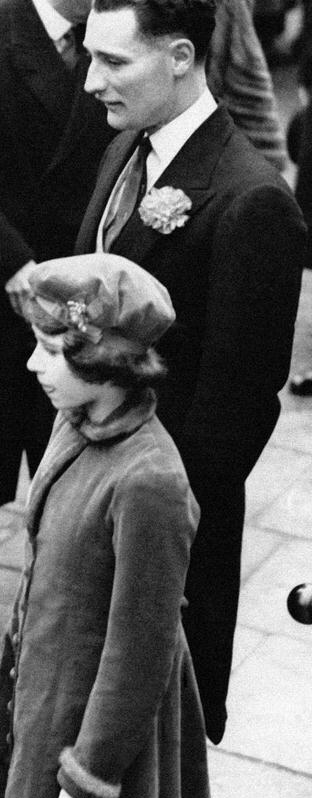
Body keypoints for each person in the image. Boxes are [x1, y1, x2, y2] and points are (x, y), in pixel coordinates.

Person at [73, 0, 305, 743]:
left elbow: (236, 410)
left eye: (113, 61)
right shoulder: (126, 149)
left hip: (163, 525)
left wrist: (151, 517)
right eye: (90, 56)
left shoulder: (251, 201)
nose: (90, 81)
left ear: (179, 57)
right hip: (93, 482)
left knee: (151, 733)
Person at [0, 253, 219, 798]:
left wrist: (90, 778)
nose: (32, 365)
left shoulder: (150, 481)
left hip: (93, 717)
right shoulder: (73, 421)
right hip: (48, 683)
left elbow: (140, 646)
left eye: (50, 349)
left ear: (104, 360)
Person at [0, 0, 114, 574]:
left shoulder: (122, 37)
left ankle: (49, 635)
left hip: (82, 306)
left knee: (74, 497)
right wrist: (13, 260)